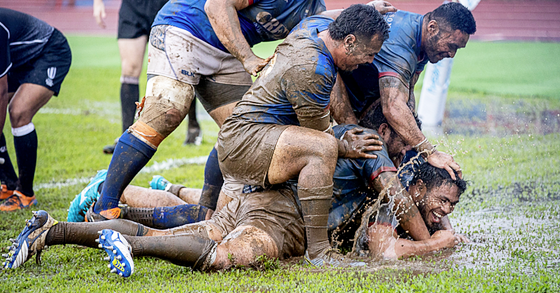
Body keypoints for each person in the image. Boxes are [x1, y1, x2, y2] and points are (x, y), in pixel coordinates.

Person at [2, 103, 468, 275]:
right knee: (222, 256)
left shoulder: (382, 159)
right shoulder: (384, 164)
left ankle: (50, 229)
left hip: (256, 198)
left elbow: (419, 205)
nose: (407, 148)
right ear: (387, 133)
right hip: (278, 218)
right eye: (404, 139)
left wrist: (439, 209)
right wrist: (438, 241)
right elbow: (388, 245)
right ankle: (121, 229)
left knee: (181, 229)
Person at [79, 0, 397, 226]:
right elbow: (215, 6)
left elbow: (333, 24)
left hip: (226, 48)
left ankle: (206, 208)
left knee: (242, 130)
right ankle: (103, 206)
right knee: (166, 114)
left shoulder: (312, 8)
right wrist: (247, 58)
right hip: (185, 27)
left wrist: (367, 9)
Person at [216, 4, 394, 266]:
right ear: (350, 41)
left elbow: (328, 15)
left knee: (213, 227)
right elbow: (318, 139)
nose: (369, 61)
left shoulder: (313, 30)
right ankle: (319, 251)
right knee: (323, 148)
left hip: (244, 139)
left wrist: (369, 8)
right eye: (369, 54)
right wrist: (346, 147)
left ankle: (136, 227)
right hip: (248, 145)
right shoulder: (315, 68)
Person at [330, 2, 476, 180]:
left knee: (394, 145)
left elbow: (406, 94)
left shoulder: (423, 42)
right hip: (325, 70)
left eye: (458, 49)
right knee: (358, 137)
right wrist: (430, 152)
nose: (452, 54)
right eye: (452, 45)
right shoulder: (402, 44)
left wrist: (407, 144)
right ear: (432, 28)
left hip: (353, 81)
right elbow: (393, 107)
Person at [92, 0, 203, 153]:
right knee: (129, 69)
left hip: (166, 5)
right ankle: (126, 138)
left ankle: (193, 125)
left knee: (180, 66)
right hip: (133, 7)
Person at [0, 8, 72, 211]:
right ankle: (9, 185)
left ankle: (25, 193)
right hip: (21, 61)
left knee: (19, 111)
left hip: (51, 51)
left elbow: (1, 90)